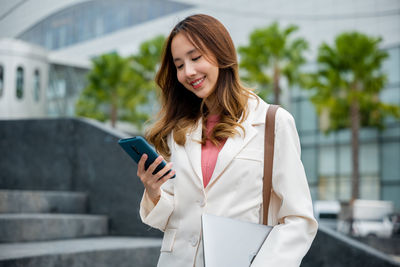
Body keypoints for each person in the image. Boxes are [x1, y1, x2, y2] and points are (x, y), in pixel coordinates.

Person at [137, 14, 318, 267]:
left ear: (221, 52)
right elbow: (173, 218)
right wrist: (154, 192)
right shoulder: (179, 130)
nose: (188, 72)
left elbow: (299, 219)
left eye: (196, 58)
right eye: (179, 65)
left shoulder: (272, 122)